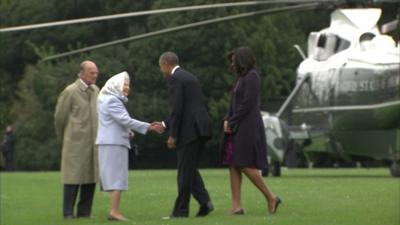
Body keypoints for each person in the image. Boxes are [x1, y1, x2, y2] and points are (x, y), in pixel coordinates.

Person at [96, 71, 164, 221]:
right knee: (118, 178)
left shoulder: (104, 99)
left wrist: (127, 131)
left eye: (128, 85)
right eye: (124, 84)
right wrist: (149, 127)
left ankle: (114, 210)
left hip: (109, 142)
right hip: (114, 143)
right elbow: (125, 120)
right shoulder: (112, 101)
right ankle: (114, 211)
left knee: (114, 178)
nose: (127, 88)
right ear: (115, 85)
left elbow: (115, 121)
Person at [222, 47, 281, 215]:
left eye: (234, 61)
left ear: (242, 60)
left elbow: (247, 103)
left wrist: (232, 121)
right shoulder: (241, 78)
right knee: (233, 164)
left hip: (247, 126)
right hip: (237, 126)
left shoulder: (252, 77)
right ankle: (236, 207)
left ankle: (271, 197)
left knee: (244, 163)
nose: (232, 64)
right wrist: (227, 119)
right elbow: (234, 103)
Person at [158, 51, 213, 219]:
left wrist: (173, 135)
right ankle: (205, 202)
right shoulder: (189, 77)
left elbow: (177, 109)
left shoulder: (175, 79)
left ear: (166, 64)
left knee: (184, 172)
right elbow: (189, 106)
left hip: (188, 131)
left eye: (161, 67)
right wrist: (164, 124)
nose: (161, 71)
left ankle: (180, 212)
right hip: (200, 128)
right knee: (189, 170)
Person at [54, 60, 99, 219]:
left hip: (93, 143)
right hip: (74, 143)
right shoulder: (70, 91)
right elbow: (60, 117)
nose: (95, 75)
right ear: (82, 73)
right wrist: (67, 136)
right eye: (92, 72)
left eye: (96, 72)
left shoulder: (96, 90)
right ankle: (68, 213)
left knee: (90, 178)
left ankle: (84, 213)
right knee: (72, 178)